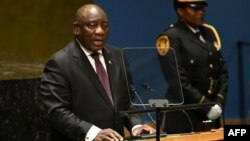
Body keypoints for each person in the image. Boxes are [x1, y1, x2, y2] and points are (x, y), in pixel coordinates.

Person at [40, 4, 156, 141]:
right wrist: (92, 133)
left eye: (104, 25)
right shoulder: (60, 63)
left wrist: (136, 126)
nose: (100, 31)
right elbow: (56, 111)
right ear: (77, 29)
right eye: (92, 25)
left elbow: (128, 101)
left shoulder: (118, 55)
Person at [156, 0, 229, 133]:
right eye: (195, 9)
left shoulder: (209, 32)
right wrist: (206, 106)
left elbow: (222, 72)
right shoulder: (171, 37)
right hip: (185, 115)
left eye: (202, 9)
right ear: (180, 11)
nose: (200, 12)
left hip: (213, 114)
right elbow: (177, 80)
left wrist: (219, 102)